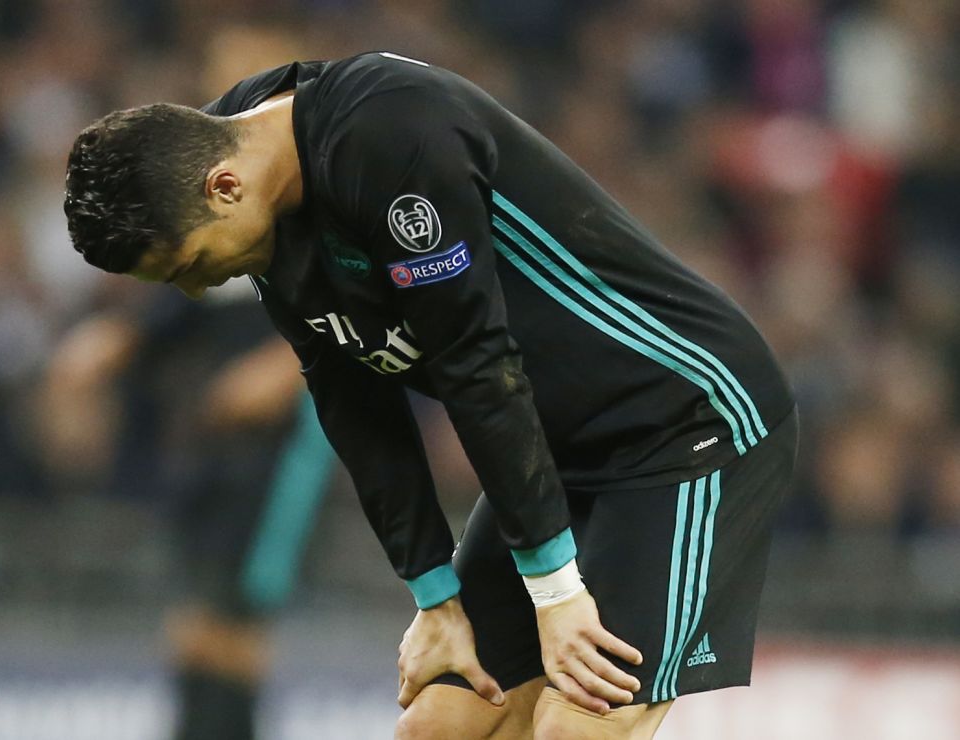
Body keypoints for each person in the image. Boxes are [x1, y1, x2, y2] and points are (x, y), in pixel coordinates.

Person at [63, 51, 797, 739]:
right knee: (439, 725)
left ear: (224, 187)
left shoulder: (386, 135)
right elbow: (347, 389)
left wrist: (555, 590)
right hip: (561, 448)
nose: (198, 286)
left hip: (684, 420)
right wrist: (433, 594)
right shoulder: (232, 160)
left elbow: (475, 361)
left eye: (191, 263)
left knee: (578, 723)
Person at [43, 287, 335, 740]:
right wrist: (121, 336)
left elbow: (370, 289)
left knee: (232, 625)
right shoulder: (229, 238)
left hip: (286, 447)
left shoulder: (326, 225)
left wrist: (293, 360)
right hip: (216, 447)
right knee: (195, 631)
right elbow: (190, 300)